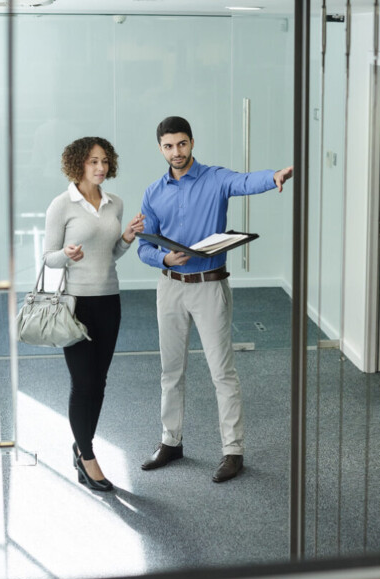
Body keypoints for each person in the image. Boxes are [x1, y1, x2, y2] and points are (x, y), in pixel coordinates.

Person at [138, 116, 293, 482]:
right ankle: (170, 441)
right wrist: (163, 258)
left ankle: (232, 451)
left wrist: (273, 177)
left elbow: (244, 181)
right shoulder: (153, 192)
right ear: (160, 148)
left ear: (192, 142)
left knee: (222, 372)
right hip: (171, 287)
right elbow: (145, 245)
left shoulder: (215, 178)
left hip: (209, 286)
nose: (176, 152)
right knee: (170, 371)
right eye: (168, 146)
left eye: (182, 144)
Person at [44, 136, 145, 491]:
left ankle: (81, 443)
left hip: (109, 301)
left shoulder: (114, 204)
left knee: (98, 383)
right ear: (78, 165)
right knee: (82, 383)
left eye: (104, 161)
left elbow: (110, 253)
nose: (101, 167)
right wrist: (66, 254)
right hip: (77, 304)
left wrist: (128, 238)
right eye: (93, 162)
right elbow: (48, 257)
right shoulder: (62, 205)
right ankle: (87, 457)